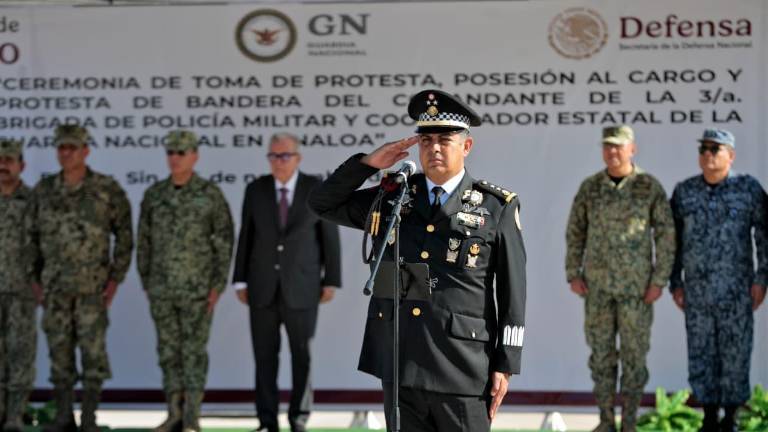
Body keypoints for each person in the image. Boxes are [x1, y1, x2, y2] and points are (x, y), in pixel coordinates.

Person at [308, 89, 526, 432]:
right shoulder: (394, 196)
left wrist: (506, 362)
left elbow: (513, 291)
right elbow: (322, 203)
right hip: (402, 360)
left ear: (465, 147)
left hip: (462, 366)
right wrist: (368, 164)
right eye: (425, 140)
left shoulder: (495, 206)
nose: (434, 148)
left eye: (444, 139)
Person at [565, 125, 675, 432]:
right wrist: (573, 272)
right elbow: (576, 232)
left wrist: (659, 280)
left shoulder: (648, 187)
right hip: (597, 288)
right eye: (608, 146)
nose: (612, 152)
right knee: (601, 356)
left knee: (634, 357)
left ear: (632, 149)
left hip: (636, 291)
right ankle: (605, 420)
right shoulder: (590, 187)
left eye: (619, 146)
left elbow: (666, 235)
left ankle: (629, 422)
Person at [26, 125, 133, 432]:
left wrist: (114, 280)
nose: (66, 153)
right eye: (61, 147)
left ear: (86, 151)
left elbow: (125, 235)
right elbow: (29, 238)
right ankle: (62, 417)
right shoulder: (44, 190)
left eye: (72, 147)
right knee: (59, 356)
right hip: (55, 290)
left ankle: (89, 418)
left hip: (92, 291)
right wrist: (36, 281)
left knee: (93, 356)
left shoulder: (105, 189)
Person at [232, 133, 341, 432]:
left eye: (285, 156)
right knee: (264, 357)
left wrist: (331, 279)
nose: (279, 162)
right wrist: (239, 280)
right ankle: (266, 421)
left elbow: (329, 239)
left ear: (298, 157)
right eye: (273, 156)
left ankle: (299, 419)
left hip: (304, 287)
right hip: (261, 286)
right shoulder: (256, 189)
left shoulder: (315, 189)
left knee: (301, 355)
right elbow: (247, 236)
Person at [669, 128, 767, 432]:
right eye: (704, 149)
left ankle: (731, 417)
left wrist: (762, 278)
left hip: (737, 291)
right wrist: (675, 282)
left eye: (716, 149)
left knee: (736, 354)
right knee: (701, 354)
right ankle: (709, 416)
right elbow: (674, 242)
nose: (708, 155)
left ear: (731, 155)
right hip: (697, 292)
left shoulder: (748, 189)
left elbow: (764, 236)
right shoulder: (685, 192)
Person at [137, 130, 234, 432]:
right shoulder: (155, 195)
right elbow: (144, 242)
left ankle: (191, 417)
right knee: (167, 352)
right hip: (162, 289)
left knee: (193, 353)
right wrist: (148, 282)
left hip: (198, 291)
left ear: (195, 156)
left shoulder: (209, 194)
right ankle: (173, 413)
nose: (175, 158)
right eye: (171, 152)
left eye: (181, 152)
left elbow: (224, 242)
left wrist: (217, 285)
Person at [0, 139, 37, 432]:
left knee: (20, 353)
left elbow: (46, 245)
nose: (3, 165)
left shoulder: (34, 201)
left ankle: (15, 416)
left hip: (22, 291)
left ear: (21, 166)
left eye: (9, 160)